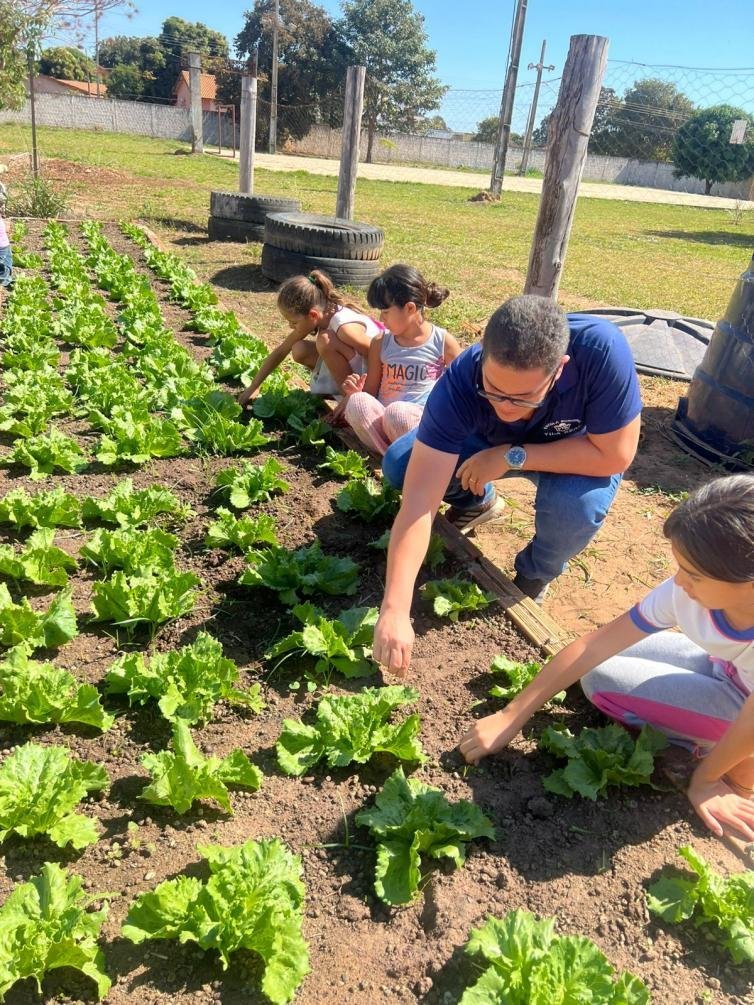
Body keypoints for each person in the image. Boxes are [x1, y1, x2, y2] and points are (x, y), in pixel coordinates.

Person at [459, 474, 754, 843]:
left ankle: (727, 763)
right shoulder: (686, 591)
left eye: (692, 574)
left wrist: (707, 780)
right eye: (680, 567)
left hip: (746, 709)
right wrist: (511, 714)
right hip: (724, 668)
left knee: (604, 685)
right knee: (599, 665)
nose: (678, 582)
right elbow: (596, 644)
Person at [372, 294, 642, 675]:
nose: (506, 406)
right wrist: (396, 608)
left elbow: (615, 454)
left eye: (523, 397)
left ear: (559, 370)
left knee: (575, 510)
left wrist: (511, 455)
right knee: (401, 464)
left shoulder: (601, 350)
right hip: (489, 444)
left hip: (577, 452)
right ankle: (477, 501)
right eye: (494, 391)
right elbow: (419, 501)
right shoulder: (463, 379)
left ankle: (535, 574)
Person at [342, 264, 462, 455]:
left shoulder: (442, 341)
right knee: (358, 402)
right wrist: (355, 392)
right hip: (383, 424)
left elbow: (463, 387)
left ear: (410, 308)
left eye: (386, 311)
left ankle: (412, 455)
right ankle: (393, 457)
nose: (381, 319)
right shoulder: (381, 342)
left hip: (419, 425)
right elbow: (371, 390)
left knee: (398, 414)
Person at [238, 269, 383, 408]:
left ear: (313, 315)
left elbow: (381, 355)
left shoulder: (344, 328)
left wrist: (358, 397)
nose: (291, 327)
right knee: (299, 349)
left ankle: (350, 400)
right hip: (357, 370)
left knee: (325, 341)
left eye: (294, 322)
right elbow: (281, 351)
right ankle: (340, 392)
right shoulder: (322, 314)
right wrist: (253, 387)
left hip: (377, 377)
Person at [0, 178, 13, 289]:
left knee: (6, 267)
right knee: (4, 271)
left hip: (4, 246)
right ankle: (3, 283)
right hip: (2, 247)